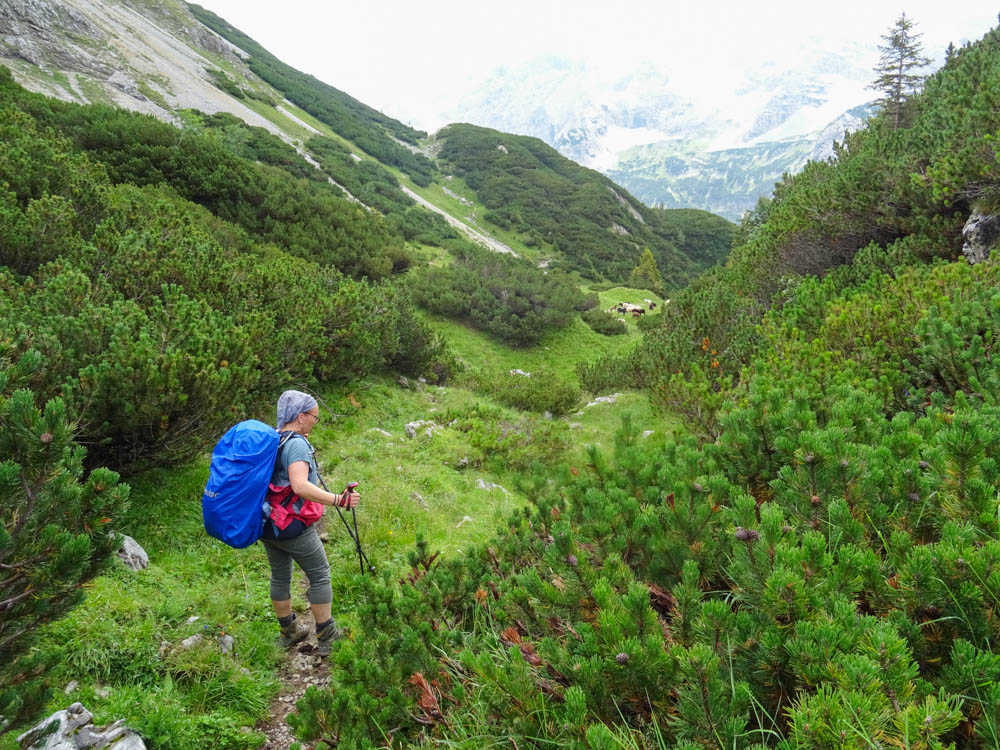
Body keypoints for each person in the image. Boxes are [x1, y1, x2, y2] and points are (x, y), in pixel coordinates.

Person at [262, 390, 359, 653]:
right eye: (314, 416)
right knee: (319, 574)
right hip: (291, 525)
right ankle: (327, 638)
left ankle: (289, 631)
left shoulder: (272, 438)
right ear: (301, 416)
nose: (315, 421)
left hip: (266, 522)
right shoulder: (296, 444)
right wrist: (339, 500)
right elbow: (300, 486)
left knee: (280, 575)